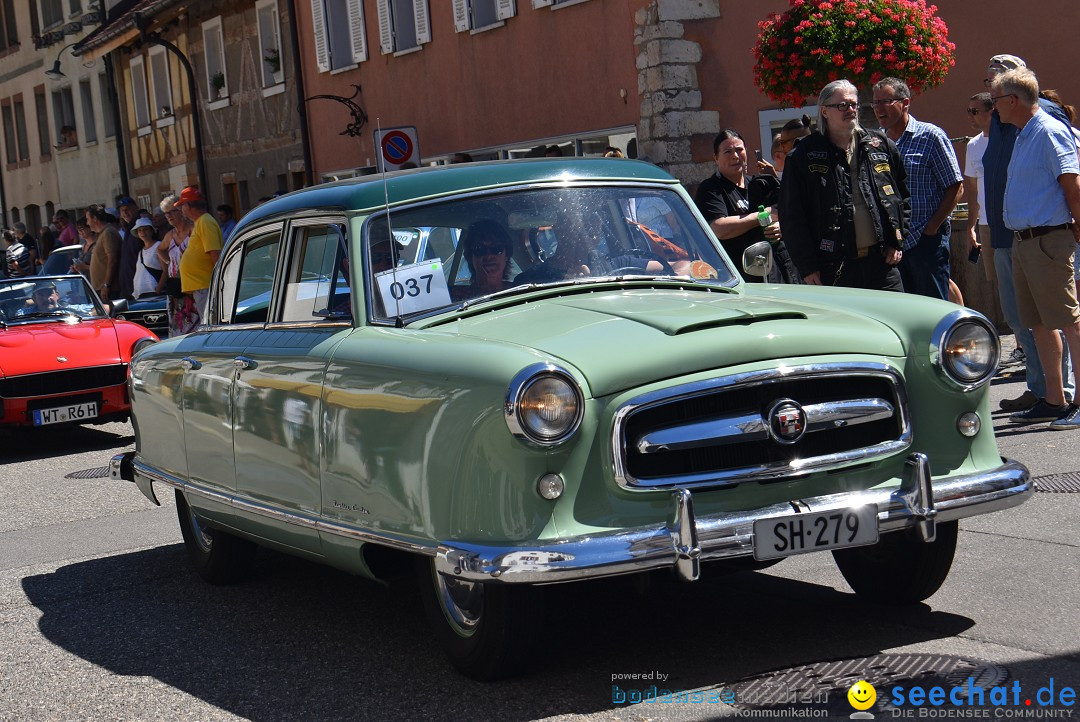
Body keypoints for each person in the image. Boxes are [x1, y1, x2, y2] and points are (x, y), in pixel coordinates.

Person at [982, 54, 1075, 412]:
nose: (992, 106)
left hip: (1047, 237)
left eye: (995, 99)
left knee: (1067, 321)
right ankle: (1049, 395)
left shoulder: (1046, 126)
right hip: (1020, 239)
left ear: (1014, 97)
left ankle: (1074, 398)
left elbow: (1072, 184)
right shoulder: (1018, 131)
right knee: (1033, 322)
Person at [779, 79, 908, 291]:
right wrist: (807, 266)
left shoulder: (879, 145)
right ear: (824, 111)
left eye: (854, 104)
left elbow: (902, 195)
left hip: (882, 265)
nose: (850, 110)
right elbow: (791, 216)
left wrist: (897, 240)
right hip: (832, 267)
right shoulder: (804, 156)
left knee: (895, 321)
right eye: (842, 105)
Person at [872, 77, 963, 301]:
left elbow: (955, 185)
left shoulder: (930, 136)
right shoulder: (875, 142)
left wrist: (932, 228)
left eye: (886, 101)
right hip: (891, 246)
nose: (878, 108)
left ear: (905, 102)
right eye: (875, 103)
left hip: (926, 242)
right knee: (903, 310)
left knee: (934, 309)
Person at [694, 129, 790, 283]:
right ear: (716, 158)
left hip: (773, 276)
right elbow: (719, 228)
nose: (735, 156)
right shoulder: (711, 189)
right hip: (735, 279)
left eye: (739, 150)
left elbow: (787, 212)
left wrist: (780, 226)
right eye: (728, 151)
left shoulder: (759, 184)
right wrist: (761, 216)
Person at [175, 186, 223, 326]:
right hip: (202, 286)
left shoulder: (205, 222)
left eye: (182, 206)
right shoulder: (201, 222)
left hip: (206, 285)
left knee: (209, 325)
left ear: (188, 206)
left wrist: (218, 282)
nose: (181, 210)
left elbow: (214, 253)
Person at [156, 194, 196, 336]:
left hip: (193, 285)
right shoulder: (170, 235)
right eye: (166, 214)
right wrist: (169, 262)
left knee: (195, 324)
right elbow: (159, 249)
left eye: (172, 212)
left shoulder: (194, 230)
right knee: (177, 326)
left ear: (181, 210)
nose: (169, 216)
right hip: (176, 287)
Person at [453, 219, 514, 299]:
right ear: (470, 257)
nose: (489, 256)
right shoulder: (458, 299)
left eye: (496, 248)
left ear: (507, 255)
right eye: (479, 249)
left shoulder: (522, 291)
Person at [86, 205, 122, 300]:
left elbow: (112, 260)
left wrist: (106, 285)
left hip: (109, 290)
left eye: (88, 219)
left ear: (94, 218)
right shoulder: (102, 234)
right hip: (101, 289)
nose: (87, 223)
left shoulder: (108, 233)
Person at [131, 217, 165, 298]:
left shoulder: (159, 246)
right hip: (141, 292)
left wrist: (159, 288)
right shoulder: (141, 251)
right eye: (139, 230)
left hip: (153, 292)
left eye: (145, 229)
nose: (142, 232)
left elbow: (166, 270)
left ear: (152, 231)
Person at [115, 196, 140, 300]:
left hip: (138, 284)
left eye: (127, 209)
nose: (125, 213)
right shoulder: (127, 229)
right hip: (127, 284)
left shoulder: (140, 226)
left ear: (135, 209)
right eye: (122, 210)